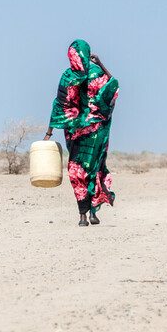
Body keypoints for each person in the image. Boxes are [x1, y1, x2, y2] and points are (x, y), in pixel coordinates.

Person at [44, 39, 119, 227]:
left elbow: (58, 105)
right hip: (94, 133)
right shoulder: (94, 73)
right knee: (91, 171)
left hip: (78, 133)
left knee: (77, 172)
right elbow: (113, 88)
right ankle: (89, 213)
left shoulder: (68, 76)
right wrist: (100, 63)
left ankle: (84, 215)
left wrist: (49, 132)